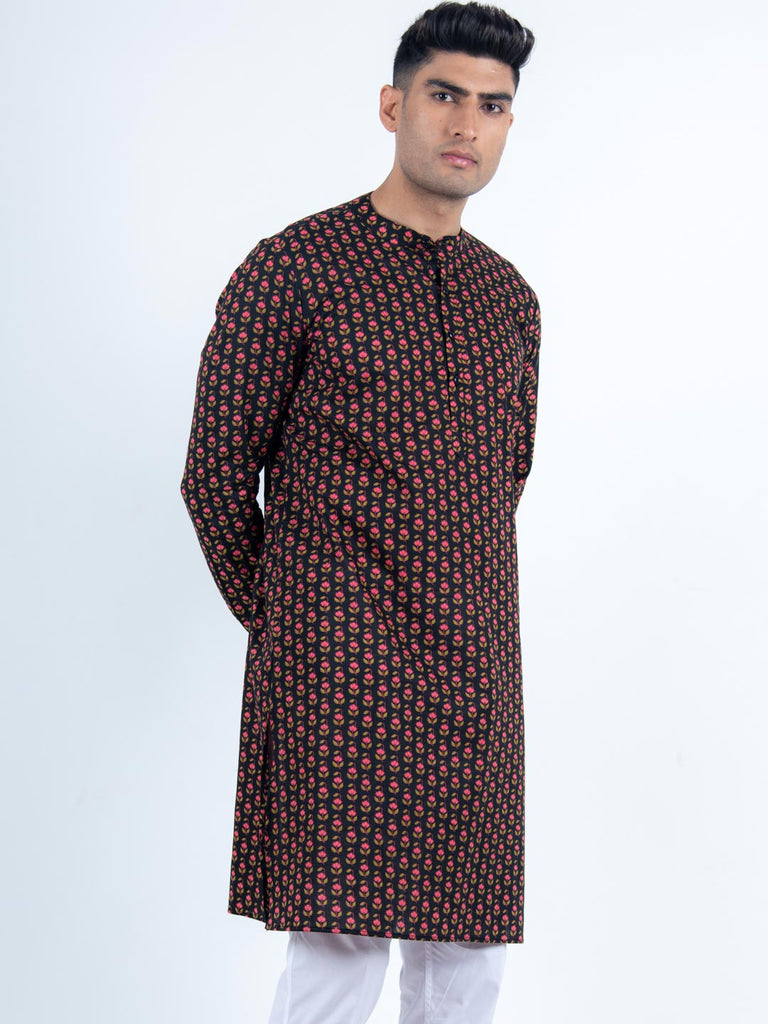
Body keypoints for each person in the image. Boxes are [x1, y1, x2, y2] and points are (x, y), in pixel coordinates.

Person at [180, 3, 541, 1021]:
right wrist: (296, 620)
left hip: (475, 671)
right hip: (338, 668)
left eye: (492, 106)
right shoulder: (294, 266)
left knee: (469, 951)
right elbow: (215, 473)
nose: (466, 124)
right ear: (393, 105)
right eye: (444, 95)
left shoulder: (510, 300)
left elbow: (501, 480)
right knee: (339, 949)